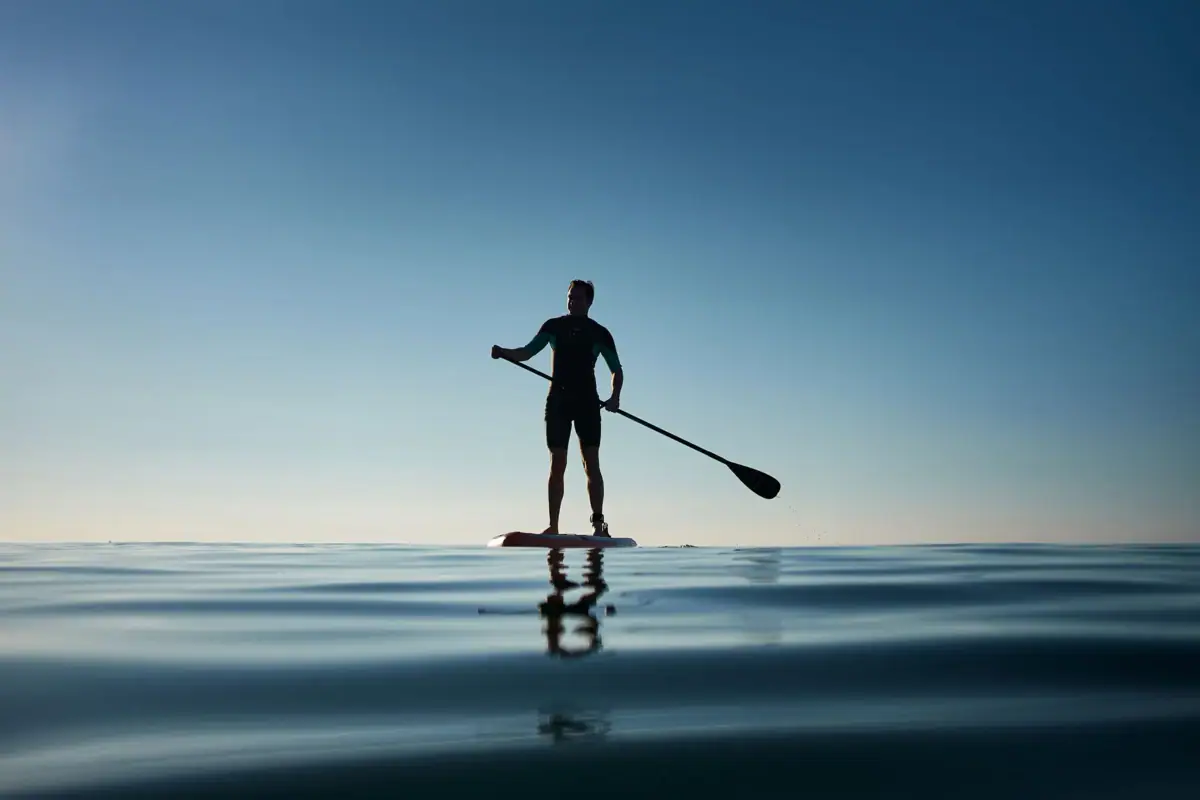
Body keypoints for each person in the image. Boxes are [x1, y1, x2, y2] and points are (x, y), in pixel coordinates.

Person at [491, 279, 623, 537]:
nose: (572, 301)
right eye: (570, 297)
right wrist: (503, 352)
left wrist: (614, 396)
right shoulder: (554, 327)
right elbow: (527, 352)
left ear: (589, 302)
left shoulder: (600, 334)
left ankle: (599, 524)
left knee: (591, 463)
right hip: (559, 402)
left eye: (578, 298)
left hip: (587, 403)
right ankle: (553, 526)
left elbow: (616, 370)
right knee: (557, 463)